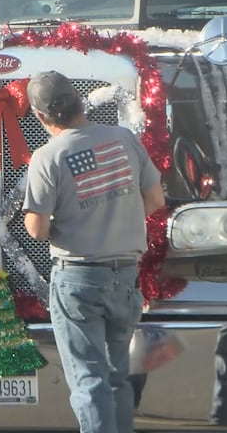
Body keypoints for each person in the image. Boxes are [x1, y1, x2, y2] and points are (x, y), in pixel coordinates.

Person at [21, 71, 165, 433]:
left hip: (79, 280)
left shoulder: (47, 156)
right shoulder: (124, 139)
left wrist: (73, 224)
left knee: (89, 380)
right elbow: (155, 199)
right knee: (116, 375)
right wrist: (117, 217)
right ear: (79, 100)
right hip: (126, 278)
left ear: (40, 116)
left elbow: (36, 228)